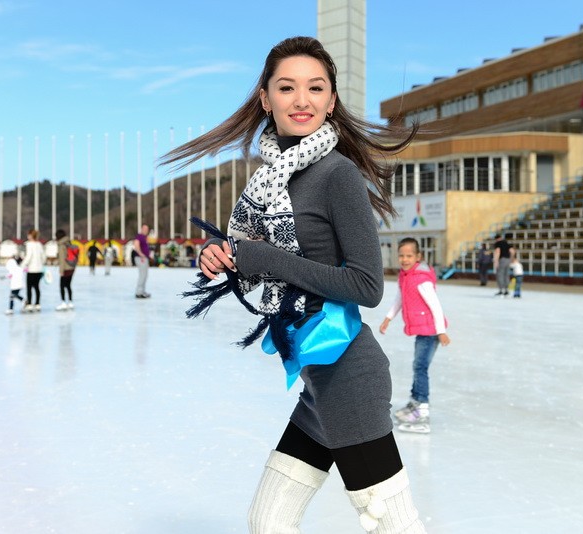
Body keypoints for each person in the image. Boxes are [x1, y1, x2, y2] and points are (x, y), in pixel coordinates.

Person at [163, 36, 425, 532]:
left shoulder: (337, 174)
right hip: (317, 377)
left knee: (393, 525)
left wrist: (263, 257)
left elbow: (367, 286)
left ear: (331, 100)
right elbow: (255, 249)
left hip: (349, 373)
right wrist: (222, 252)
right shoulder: (270, 181)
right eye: (287, 87)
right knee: (269, 520)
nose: (301, 99)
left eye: (315, 87)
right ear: (266, 98)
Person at [379, 237, 450, 434]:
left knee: (420, 368)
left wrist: (441, 332)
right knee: (418, 366)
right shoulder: (406, 276)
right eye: (401, 255)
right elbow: (400, 298)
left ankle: (422, 411)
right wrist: (388, 318)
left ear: (418, 257)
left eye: (409, 256)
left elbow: (435, 306)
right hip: (423, 330)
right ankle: (415, 403)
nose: (404, 259)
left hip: (431, 331)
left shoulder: (421, 279)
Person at [19, 229, 45, 312]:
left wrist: (22, 265)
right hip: (39, 269)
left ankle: (29, 304)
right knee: (37, 287)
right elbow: (43, 257)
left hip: (32, 269)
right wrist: (41, 264)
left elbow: (29, 256)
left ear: (31, 235)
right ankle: (37, 304)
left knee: (29, 287)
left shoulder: (29, 244)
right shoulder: (39, 244)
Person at [55, 229, 75, 311]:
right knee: (68, 285)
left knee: (62, 286)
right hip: (71, 267)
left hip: (65, 268)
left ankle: (63, 302)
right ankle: (70, 302)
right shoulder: (68, 243)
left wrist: (61, 271)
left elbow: (62, 259)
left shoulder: (61, 245)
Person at [132, 224, 151, 298]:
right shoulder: (139, 236)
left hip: (144, 258)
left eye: (147, 229)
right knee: (142, 275)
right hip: (141, 258)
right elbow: (136, 245)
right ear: (142, 229)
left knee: (145, 275)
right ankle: (139, 292)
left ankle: (142, 291)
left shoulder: (144, 237)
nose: (146, 231)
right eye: (145, 229)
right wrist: (141, 254)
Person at [493, 232, 515, 297]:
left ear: (496, 239)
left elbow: (498, 251)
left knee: (500, 275)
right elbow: (512, 251)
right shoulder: (506, 243)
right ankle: (506, 290)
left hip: (502, 259)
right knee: (506, 275)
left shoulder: (498, 243)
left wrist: (496, 261)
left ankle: (501, 290)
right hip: (508, 260)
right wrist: (511, 259)